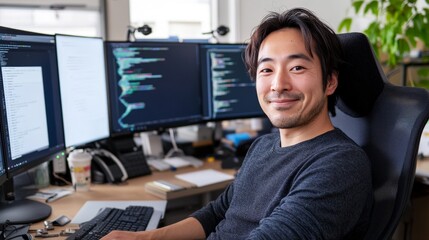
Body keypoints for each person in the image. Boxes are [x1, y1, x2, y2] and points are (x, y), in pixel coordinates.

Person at [101, 7, 373, 240]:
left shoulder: (340, 164)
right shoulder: (264, 145)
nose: (278, 85)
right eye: (266, 69)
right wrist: (146, 237)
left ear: (330, 82)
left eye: (297, 68)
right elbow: (217, 213)